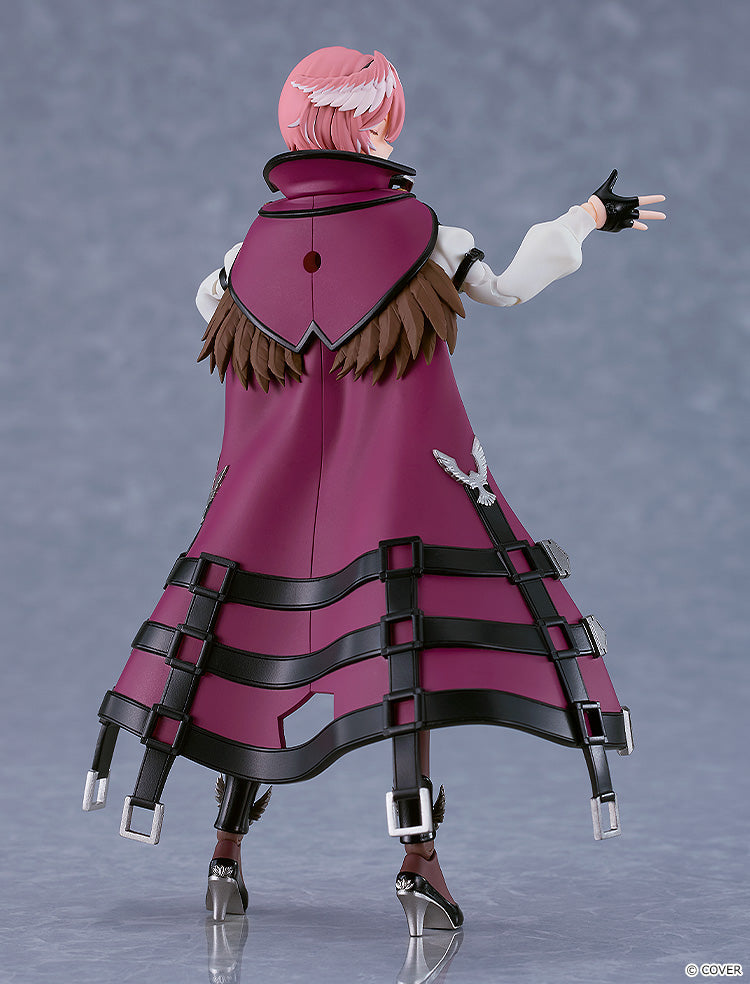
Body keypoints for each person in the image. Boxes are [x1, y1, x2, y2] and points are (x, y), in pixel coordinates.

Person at [84, 46, 664, 935]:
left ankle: (225, 855)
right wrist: (586, 216)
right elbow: (509, 286)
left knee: (251, 654)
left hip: (269, 514)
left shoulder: (241, 258)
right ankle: (417, 862)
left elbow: (219, 320)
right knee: (404, 661)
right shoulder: (426, 238)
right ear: (371, 125)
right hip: (390, 503)